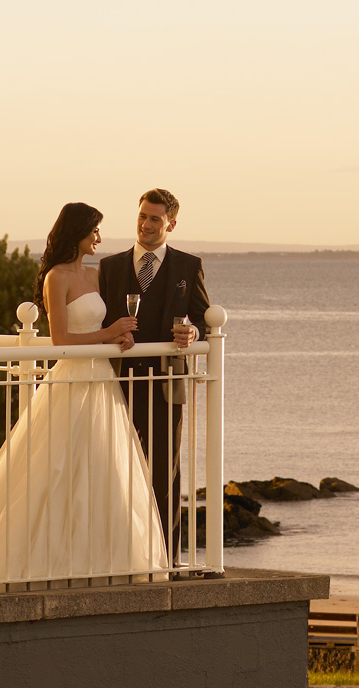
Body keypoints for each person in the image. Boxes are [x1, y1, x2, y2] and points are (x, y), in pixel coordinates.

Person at [0, 203, 167, 587]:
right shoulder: (56, 278)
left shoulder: (96, 274)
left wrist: (119, 335)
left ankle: (106, 563)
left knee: (105, 470)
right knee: (56, 470)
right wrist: (109, 333)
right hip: (72, 380)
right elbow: (61, 339)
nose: (99, 237)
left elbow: (100, 326)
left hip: (102, 382)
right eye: (94, 230)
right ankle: (45, 567)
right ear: (78, 232)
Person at [98, 189, 210, 560]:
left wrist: (192, 333)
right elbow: (100, 323)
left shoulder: (188, 266)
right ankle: (117, 554)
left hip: (167, 385)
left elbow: (205, 324)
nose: (146, 225)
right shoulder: (110, 267)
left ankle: (166, 558)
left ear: (171, 224)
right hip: (117, 384)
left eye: (155, 219)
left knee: (165, 474)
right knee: (112, 471)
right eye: (143, 216)